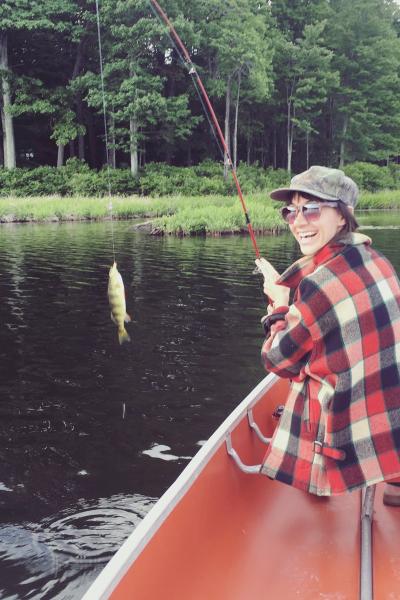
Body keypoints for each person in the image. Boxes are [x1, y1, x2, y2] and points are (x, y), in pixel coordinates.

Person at [255, 165, 400, 502]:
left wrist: (278, 309)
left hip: (348, 437)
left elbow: (278, 361)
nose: (298, 221)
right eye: (291, 211)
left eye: (312, 209)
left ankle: (319, 476)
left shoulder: (317, 286)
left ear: (342, 216)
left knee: (303, 377)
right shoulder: (377, 260)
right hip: (390, 423)